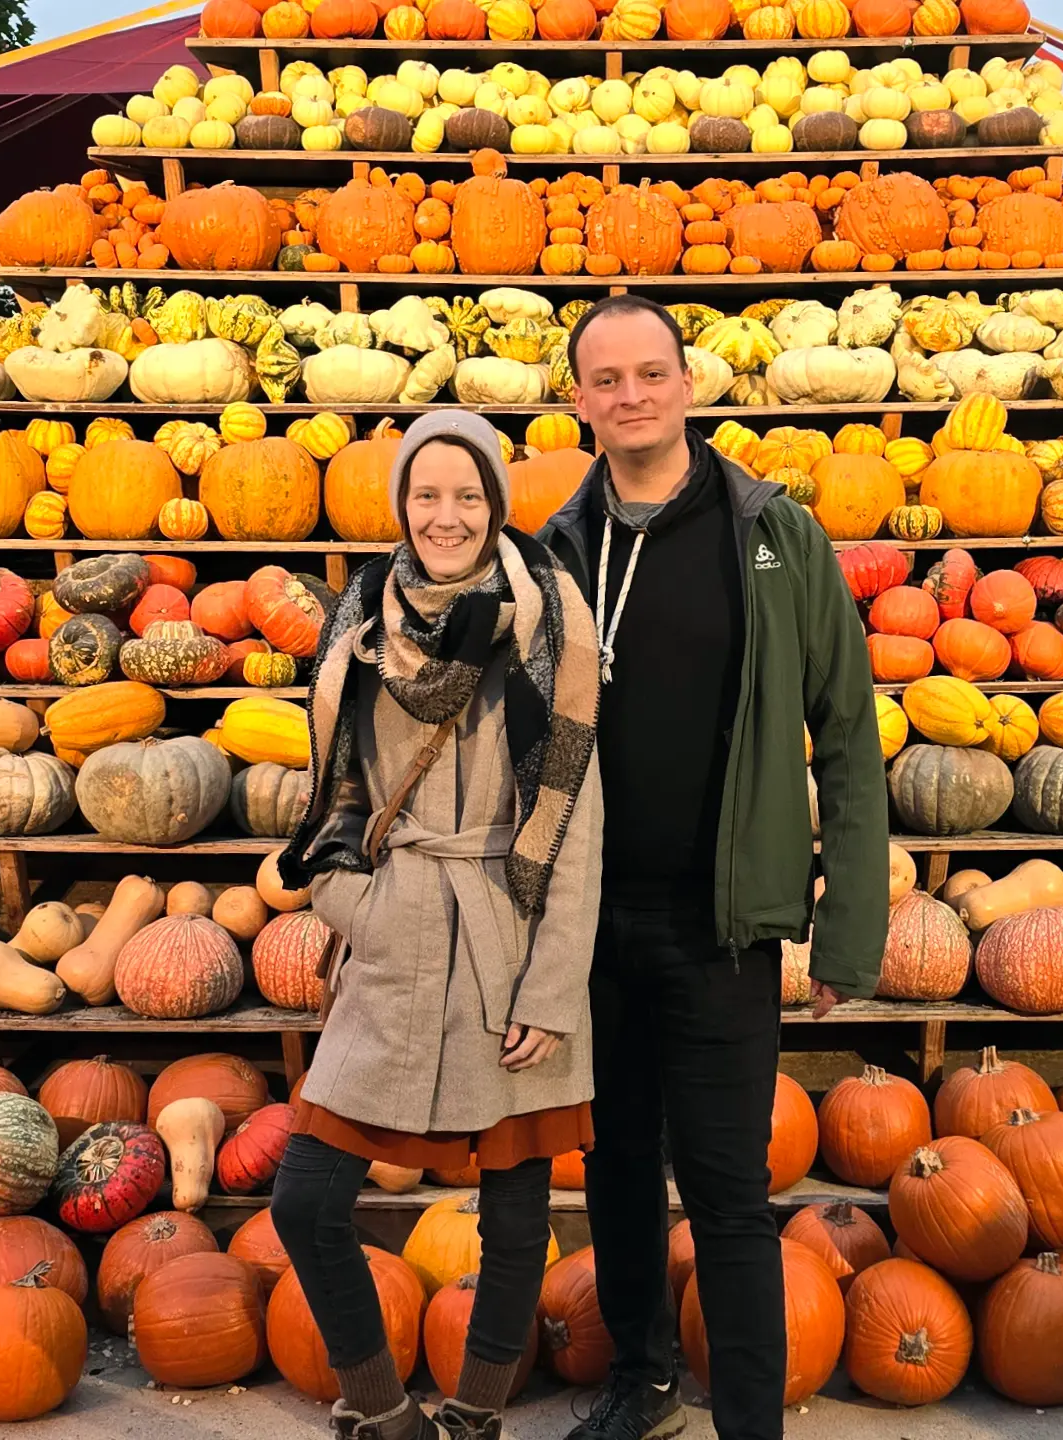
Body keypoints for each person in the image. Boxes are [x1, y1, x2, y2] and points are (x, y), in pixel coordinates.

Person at [538, 294, 890, 1440]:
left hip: (721, 927)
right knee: (620, 1173)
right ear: (580, 401)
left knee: (733, 1198)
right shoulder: (554, 554)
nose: (631, 395)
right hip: (590, 928)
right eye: (607, 380)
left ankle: (750, 1421)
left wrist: (847, 931)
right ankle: (638, 1384)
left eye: (652, 373)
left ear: (690, 385)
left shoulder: (778, 537)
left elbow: (847, 735)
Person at [274, 409, 604, 1440]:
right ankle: (384, 1411)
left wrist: (551, 993)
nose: (447, 516)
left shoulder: (549, 626)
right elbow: (328, 793)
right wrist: (351, 904)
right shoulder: (360, 623)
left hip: (511, 933)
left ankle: (475, 1416)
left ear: (496, 505)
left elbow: (580, 819)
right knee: (307, 1198)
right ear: (401, 503)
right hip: (399, 930)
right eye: (427, 495)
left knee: (513, 1217)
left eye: (468, 496)